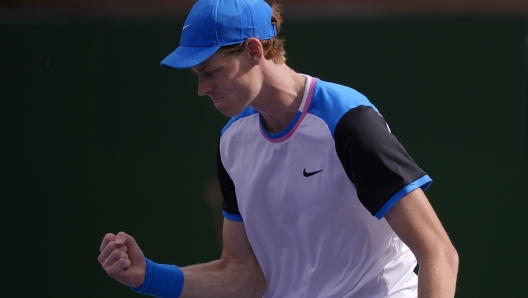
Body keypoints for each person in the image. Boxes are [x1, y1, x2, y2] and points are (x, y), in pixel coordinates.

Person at [97, 0, 459, 297]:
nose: (202, 88)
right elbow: (242, 275)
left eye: (212, 72)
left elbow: (437, 252)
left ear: (254, 51)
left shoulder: (348, 121)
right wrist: (148, 277)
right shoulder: (232, 142)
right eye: (198, 75)